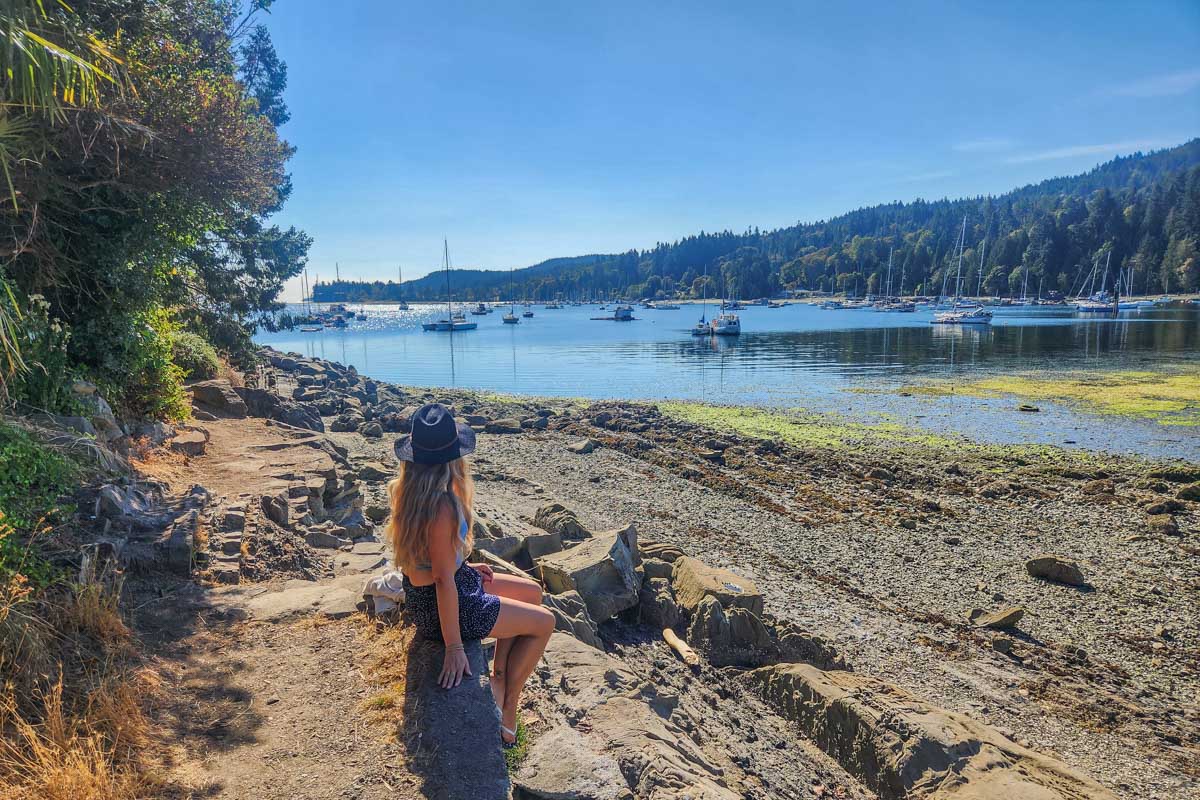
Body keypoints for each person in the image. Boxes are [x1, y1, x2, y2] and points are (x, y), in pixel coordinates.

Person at [388, 403, 555, 747]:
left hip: (436, 594)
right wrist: (453, 647)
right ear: (452, 457)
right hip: (445, 605)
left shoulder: (410, 493)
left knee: (533, 593)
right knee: (545, 622)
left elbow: (430, 563)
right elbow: (441, 580)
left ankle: (498, 678)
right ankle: (509, 702)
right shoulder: (442, 506)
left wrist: (463, 566)